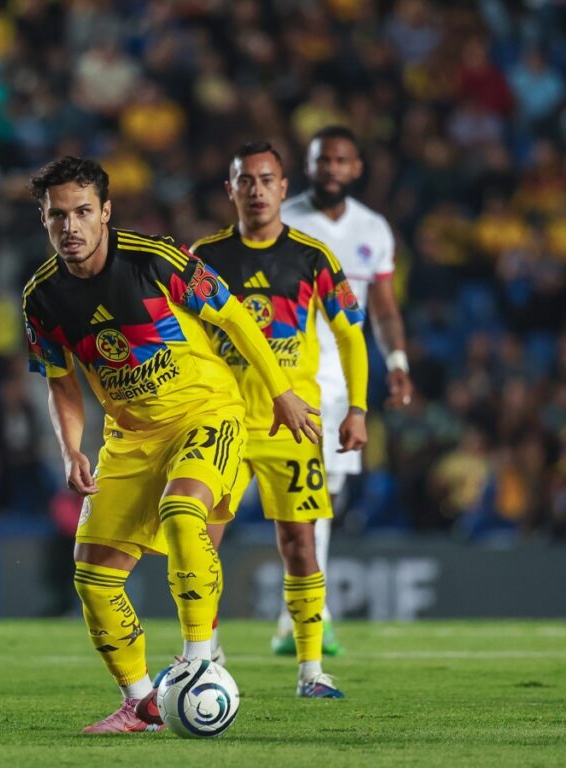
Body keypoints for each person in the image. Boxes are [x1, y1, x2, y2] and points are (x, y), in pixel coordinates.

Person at [22, 156, 319, 734]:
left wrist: (280, 392)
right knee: (92, 577)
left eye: (83, 212)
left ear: (105, 212)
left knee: (184, 511)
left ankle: (199, 660)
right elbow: (60, 381)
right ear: (44, 220)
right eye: (57, 216)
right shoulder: (42, 298)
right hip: (130, 439)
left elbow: (234, 317)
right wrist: (71, 448)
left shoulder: (154, 259)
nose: (71, 227)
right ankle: (142, 703)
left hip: (205, 413)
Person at [192, 142, 369, 698]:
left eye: (267, 179)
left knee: (301, 544)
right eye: (245, 181)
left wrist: (358, 408)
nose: (257, 190)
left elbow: (349, 334)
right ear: (231, 189)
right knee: (200, 540)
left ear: (284, 187)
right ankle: (203, 653)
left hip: (293, 427)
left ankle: (312, 671)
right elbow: (184, 337)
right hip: (223, 422)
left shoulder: (313, 257)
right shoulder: (204, 257)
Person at [279, 125, 414, 655]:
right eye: (322, 160)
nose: (331, 168)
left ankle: (303, 613)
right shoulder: (283, 218)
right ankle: (307, 614)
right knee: (295, 488)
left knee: (325, 492)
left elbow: (382, 306)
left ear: (356, 168)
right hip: (289, 370)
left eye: (340, 160)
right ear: (309, 167)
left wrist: (397, 360)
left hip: (344, 375)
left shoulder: (373, 229)